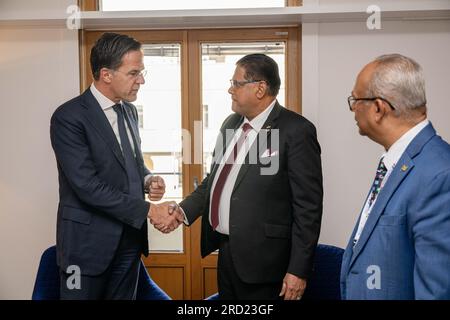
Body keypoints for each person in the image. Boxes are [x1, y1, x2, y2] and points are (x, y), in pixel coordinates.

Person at [169, 53, 323, 300]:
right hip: (228, 253)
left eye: (236, 83)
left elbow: (309, 208)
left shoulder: (296, 130)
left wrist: (298, 270)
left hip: (267, 264)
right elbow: (215, 180)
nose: (231, 90)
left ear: (260, 88)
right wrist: (183, 210)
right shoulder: (231, 124)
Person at [50, 32, 179, 299]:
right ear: (106, 74)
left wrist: (148, 179)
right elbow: (87, 186)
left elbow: (132, 163)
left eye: (142, 72)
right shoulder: (68, 117)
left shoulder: (129, 111)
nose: (141, 80)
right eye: (134, 73)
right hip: (85, 249)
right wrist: (148, 209)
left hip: (129, 243)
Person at [340, 54, 450, 299]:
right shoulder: (398, 161)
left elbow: (437, 291)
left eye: (355, 100)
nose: (353, 108)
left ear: (378, 108)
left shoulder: (440, 175)